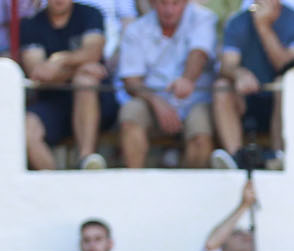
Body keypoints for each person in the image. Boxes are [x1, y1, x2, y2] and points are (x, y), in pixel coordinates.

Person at [211, 0, 294, 171]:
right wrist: (239, 73)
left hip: (280, 103)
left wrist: (263, 27)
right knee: (222, 86)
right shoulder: (237, 22)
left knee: (285, 84)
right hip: (246, 100)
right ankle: (235, 159)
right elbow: (227, 65)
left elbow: (288, 67)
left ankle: (279, 157)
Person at [116, 0, 217, 169]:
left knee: (200, 133)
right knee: (131, 114)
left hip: (195, 100)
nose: (169, 10)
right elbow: (130, 80)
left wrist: (187, 80)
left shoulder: (203, 17)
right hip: (152, 101)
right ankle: (134, 180)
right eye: (163, 3)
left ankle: (192, 183)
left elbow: (199, 53)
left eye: (175, 3)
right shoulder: (136, 29)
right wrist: (156, 102)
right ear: (153, 3)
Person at [20, 0, 119, 170]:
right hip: (53, 103)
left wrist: (60, 60)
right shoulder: (30, 24)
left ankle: (86, 160)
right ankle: (55, 183)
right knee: (26, 130)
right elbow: (38, 72)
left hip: (99, 103)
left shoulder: (91, 14)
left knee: (85, 83)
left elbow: (93, 53)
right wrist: (78, 69)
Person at [203, 179, 258, 251]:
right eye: (238, 234)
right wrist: (244, 204)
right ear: (223, 246)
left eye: (247, 235)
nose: (247, 238)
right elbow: (211, 244)